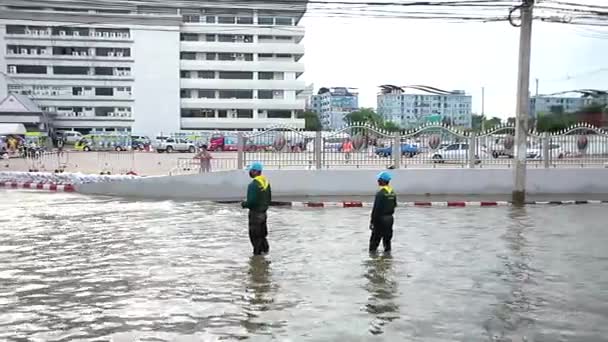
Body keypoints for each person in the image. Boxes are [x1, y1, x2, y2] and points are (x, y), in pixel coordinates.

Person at [241, 162, 272, 255]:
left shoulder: (253, 185)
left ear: (255, 171)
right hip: (263, 213)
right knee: (262, 236)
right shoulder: (265, 182)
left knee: (254, 237)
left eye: (250, 170)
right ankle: (265, 255)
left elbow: (251, 202)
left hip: (255, 214)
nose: (249, 172)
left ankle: (256, 260)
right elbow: (269, 198)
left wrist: (244, 204)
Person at [369, 171, 397, 254]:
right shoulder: (392, 193)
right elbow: (394, 205)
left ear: (383, 181)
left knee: (374, 242)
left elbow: (376, 210)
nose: (378, 181)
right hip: (389, 219)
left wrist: (372, 222)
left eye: (379, 179)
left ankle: (374, 260)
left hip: (380, 219)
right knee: (387, 242)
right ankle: (387, 261)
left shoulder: (380, 194)